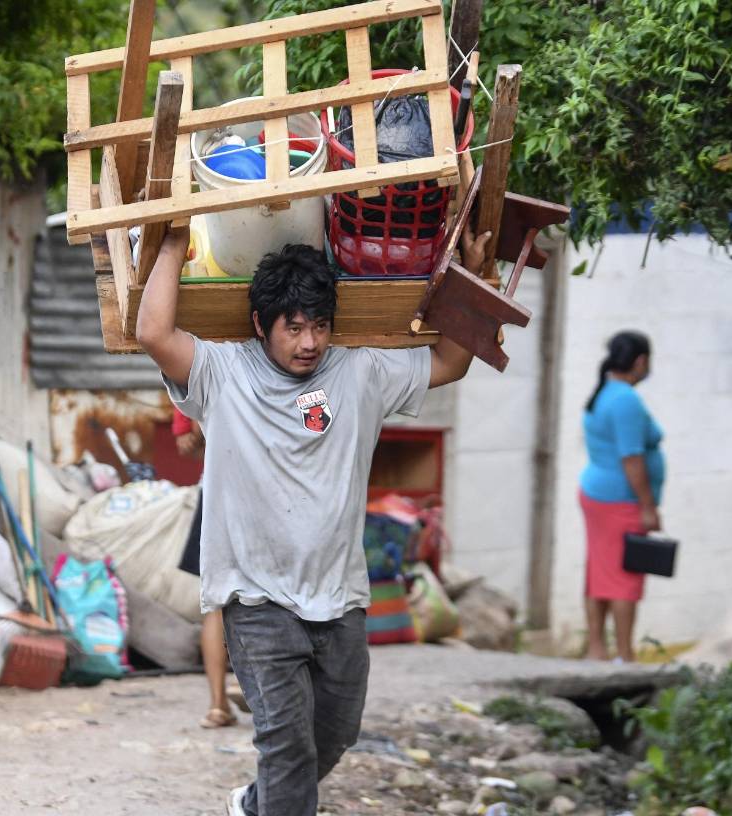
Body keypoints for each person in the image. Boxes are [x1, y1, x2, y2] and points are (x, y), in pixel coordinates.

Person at [136, 226, 490, 816]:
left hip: (340, 599)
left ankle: (255, 805)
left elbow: (450, 362)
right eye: (293, 327)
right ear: (260, 324)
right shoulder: (222, 375)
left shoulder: (361, 373)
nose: (309, 342)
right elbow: (152, 331)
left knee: (334, 735)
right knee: (285, 746)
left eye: (319, 326)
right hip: (256, 600)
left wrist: (473, 278)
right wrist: (173, 243)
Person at [577, 331, 663, 663]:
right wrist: (648, 507)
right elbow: (632, 458)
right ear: (640, 361)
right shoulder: (625, 399)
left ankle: (597, 649)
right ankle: (625, 656)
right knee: (624, 579)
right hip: (619, 500)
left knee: (599, 571)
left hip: (597, 494)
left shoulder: (605, 391)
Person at [171, 406, 241, 729]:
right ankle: (250, 685)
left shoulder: (197, 365)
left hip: (213, 488)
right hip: (260, 488)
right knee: (267, 592)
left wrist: (195, 421)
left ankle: (217, 704)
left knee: (214, 601)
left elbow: (187, 443)